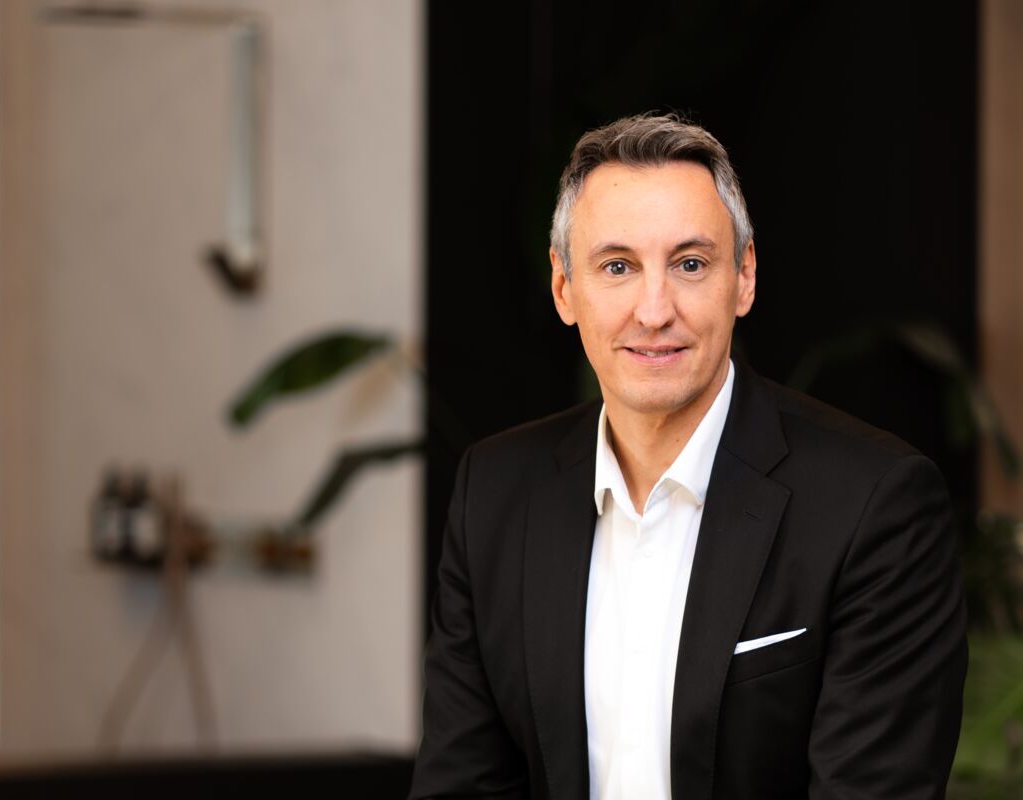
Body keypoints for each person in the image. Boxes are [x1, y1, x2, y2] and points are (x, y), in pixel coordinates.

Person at [409, 113, 967, 800]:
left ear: (745, 277)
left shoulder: (874, 505)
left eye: (690, 264)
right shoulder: (494, 494)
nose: (654, 311)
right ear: (564, 289)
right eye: (618, 267)